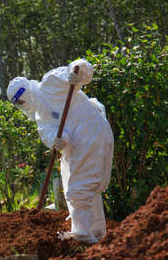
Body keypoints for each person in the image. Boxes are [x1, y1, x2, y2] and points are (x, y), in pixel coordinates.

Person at [7, 59, 114, 244]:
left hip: (90, 132)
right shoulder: (41, 117)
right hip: (83, 142)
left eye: (22, 100)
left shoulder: (51, 83)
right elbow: (49, 135)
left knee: (78, 189)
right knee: (89, 187)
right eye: (19, 104)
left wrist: (76, 72)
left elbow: (81, 67)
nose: (23, 105)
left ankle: (82, 236)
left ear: (27, 91)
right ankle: (96, 232)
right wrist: (56, 140)